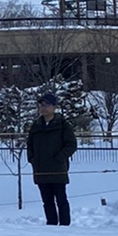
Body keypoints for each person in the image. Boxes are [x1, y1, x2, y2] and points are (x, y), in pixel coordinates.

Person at [26, 92, 78, 226]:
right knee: (47, 201)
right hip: (41, 169)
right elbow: (30, 144)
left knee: (61, 200)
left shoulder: (63, 125)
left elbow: (71, 145)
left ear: (55, 107)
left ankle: (65, 226)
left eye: (47, 105)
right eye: (41, 105)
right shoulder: (36, 126)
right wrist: (33, 159)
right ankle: (51, 225)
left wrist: (59, 158)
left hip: (57, 170)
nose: (43, 108)